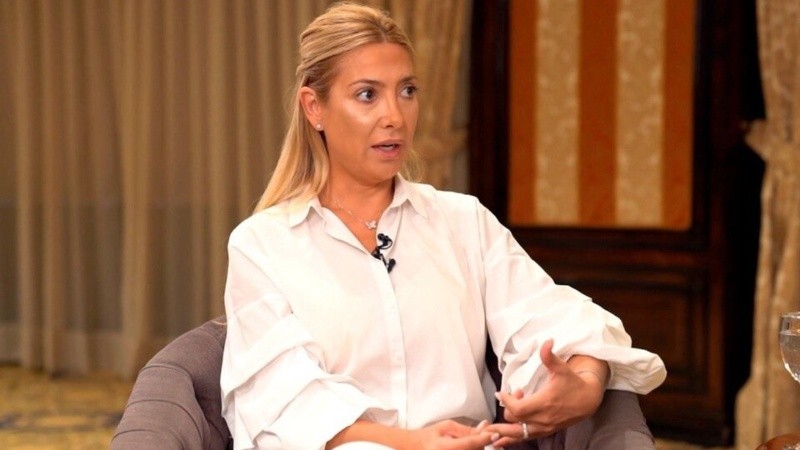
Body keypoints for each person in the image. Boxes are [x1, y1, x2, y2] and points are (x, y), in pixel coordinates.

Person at [220, 2, 667, 450]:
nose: (395, 116)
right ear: (314, 107)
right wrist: (412, 443)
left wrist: (587, 377)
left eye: (407, 91)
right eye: (367, 95)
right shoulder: (262, 245)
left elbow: (551, 316)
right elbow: (281, 399)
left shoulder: (463, 221)